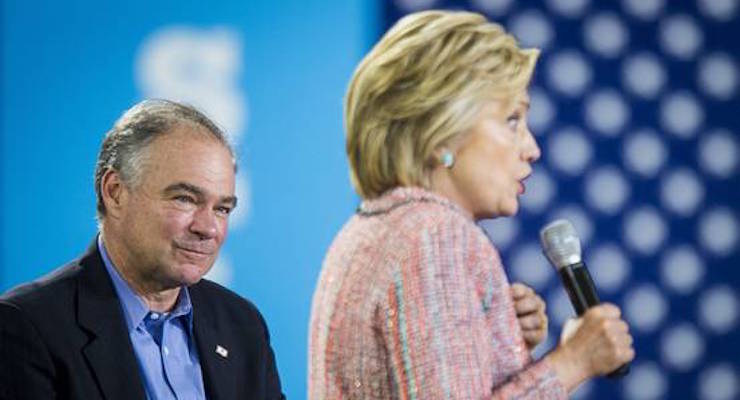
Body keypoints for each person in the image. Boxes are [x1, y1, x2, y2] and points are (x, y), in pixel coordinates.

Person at [308, 10, 635, 399]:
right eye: (512, 120)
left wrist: (493, 342)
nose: (532, 148)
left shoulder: (371, 227)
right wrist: (573, 362)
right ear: (439, 134)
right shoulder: (434, 236)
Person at [0, 100, 285, 400]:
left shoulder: (241, 325)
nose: (208, 228)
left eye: (222, 209)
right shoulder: (26, 327)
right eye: (185, 199)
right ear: (115, 192)